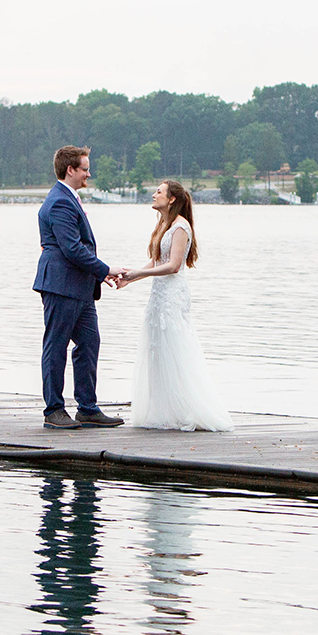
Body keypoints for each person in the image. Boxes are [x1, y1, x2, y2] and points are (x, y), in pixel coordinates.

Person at [112, 179, 234, 432]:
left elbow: (174, 266)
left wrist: (136, 275)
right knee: (158, 348)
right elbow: (156, 261)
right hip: (158, 294)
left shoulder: (181, 227)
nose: (154, 194)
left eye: (159, 192)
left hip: (172, 295)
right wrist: (130, 277)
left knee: (175, 346)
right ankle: (165, 410)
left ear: (171, 200)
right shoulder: (163, 224)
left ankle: (186, 408)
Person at [34, 145, 133, 430]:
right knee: (56, 346)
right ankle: (54, 410)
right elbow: (71, 248)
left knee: (89, 343)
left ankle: (87, 408)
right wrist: (106, 269)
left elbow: (77, 250)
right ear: (71, 170)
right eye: (85, 168)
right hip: (61, 285)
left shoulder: (68, 198)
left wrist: (97, 275)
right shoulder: (60, 201)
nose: (89, 173)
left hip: (80, 286)